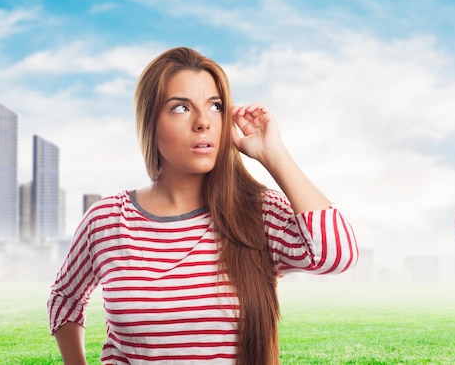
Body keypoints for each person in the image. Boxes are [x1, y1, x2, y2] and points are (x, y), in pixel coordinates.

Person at [47, 47, 358, 365]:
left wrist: (273, 153)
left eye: (215, 106)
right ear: (150, 121)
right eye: (181, 107)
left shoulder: (256, 213)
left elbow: (336, 254)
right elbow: (65, 297)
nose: (203, 123)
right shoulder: (108, 219)